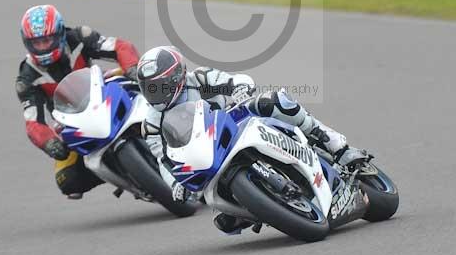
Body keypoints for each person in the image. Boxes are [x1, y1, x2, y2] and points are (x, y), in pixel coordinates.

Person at [135, 45, 366, 233]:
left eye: (159, 86)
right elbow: (163, 159)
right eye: (149, 88)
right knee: (213, 209)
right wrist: (176, 184)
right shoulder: (152, 123)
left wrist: (240, 89)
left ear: (177, 77)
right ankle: (251, 208)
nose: (155, 93)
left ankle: (336, 146)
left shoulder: (200, 79)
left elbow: (235, 80)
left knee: (274, 101)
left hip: (234, 124)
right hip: (206, 156)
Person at [15, 4, 140, 199]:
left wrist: (131, 67)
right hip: (72, 121)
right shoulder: (26, 78)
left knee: (141, 85)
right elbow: (33, 123)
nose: (43, 47)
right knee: (67, 181)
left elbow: (119, 46)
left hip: (103, 94)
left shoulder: (79, 37)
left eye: (47, 40)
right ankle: (121, 171)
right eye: (36, 43)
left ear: (59, 33)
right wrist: (49, 143)